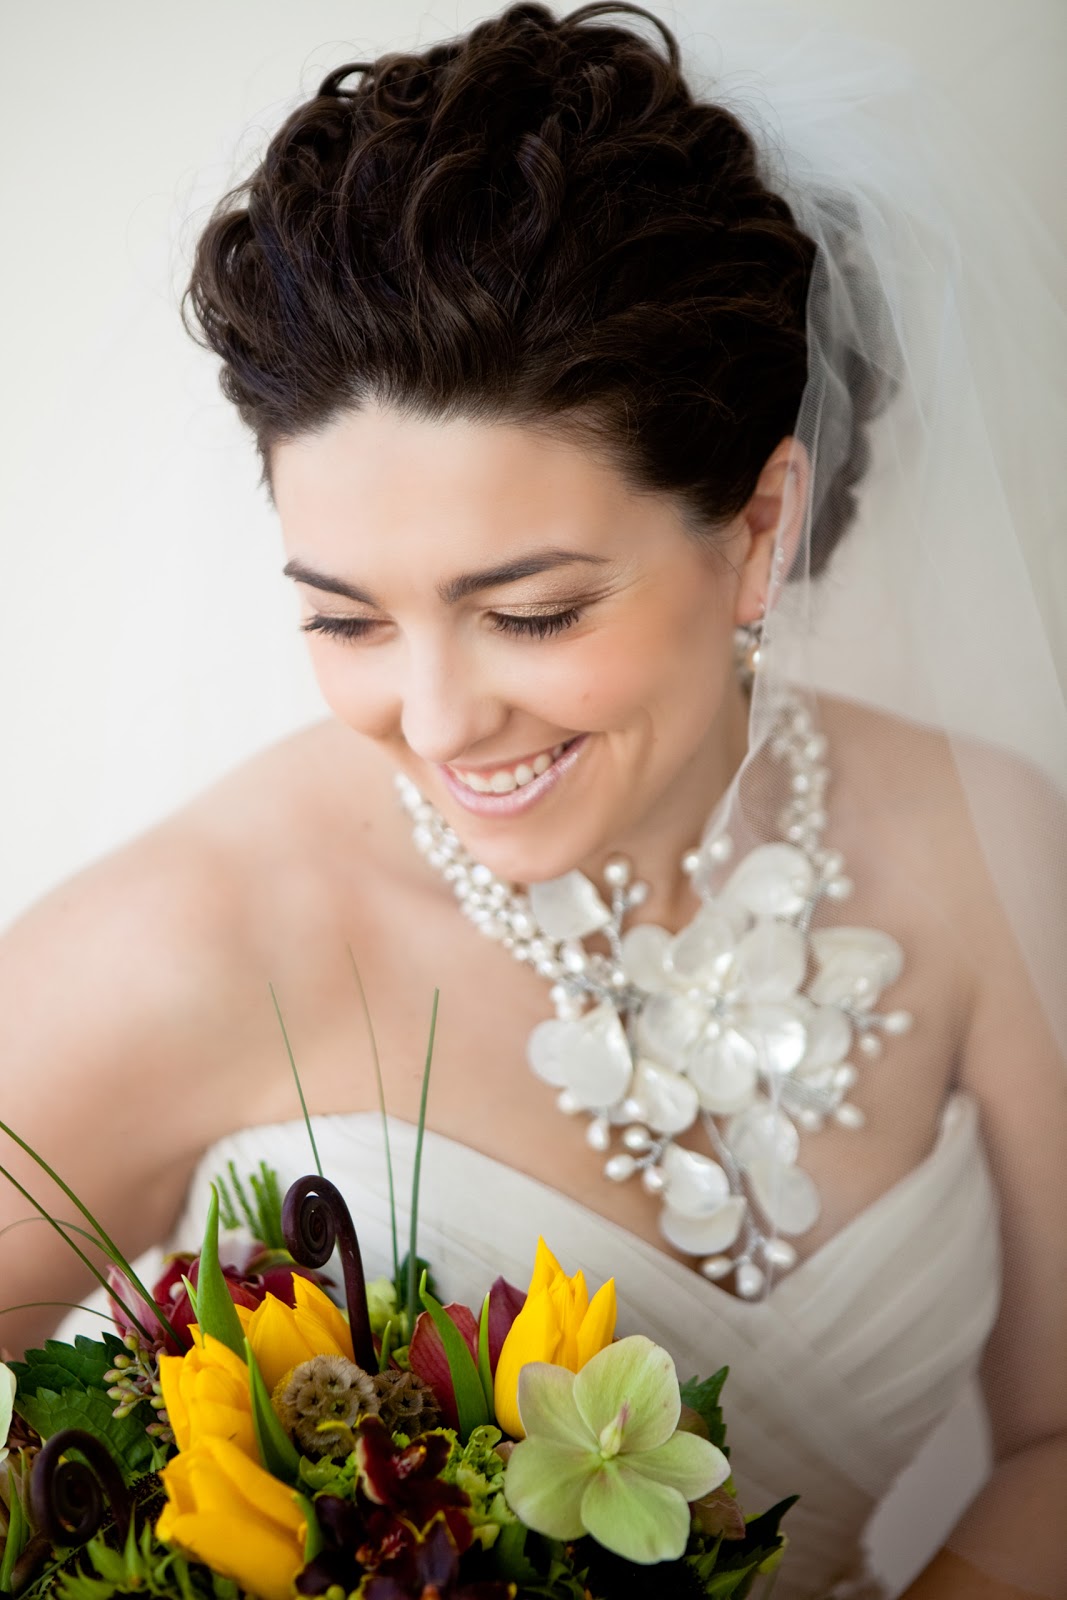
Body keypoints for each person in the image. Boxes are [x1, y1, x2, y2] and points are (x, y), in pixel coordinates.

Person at [1, 3, 1064, 1596]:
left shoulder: (991, 841)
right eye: (346, 618)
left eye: (534, 613)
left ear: (759, 526)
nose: (432, 717)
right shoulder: (185, 943)